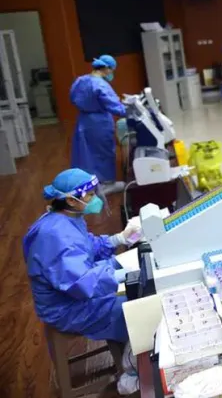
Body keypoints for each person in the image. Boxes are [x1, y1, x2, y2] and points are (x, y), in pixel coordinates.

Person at [23, 169, 141, 393]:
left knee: (130, 286)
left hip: (72, 293)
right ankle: (134, 370)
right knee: (134, 307)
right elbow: (82, 284)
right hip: (67, 308)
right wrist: (122, 275)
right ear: (70, 199)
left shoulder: (66, 219)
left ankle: (134, 358)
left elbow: (86, 248)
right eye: (89, 195)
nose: (95, 198)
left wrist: (119, 238)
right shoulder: (54, 236)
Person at [70, 55, 126, 188]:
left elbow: (73, 97)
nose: (111, 74)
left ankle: (90, 183)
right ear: (106, 68)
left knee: (86, 152)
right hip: (100, 123)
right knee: (103, 152)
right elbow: (115, 106)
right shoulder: (100, 84)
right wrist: (130, 110)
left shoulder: (80, 80)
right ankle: (107, 183)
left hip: (84, 120)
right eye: (112, 70)